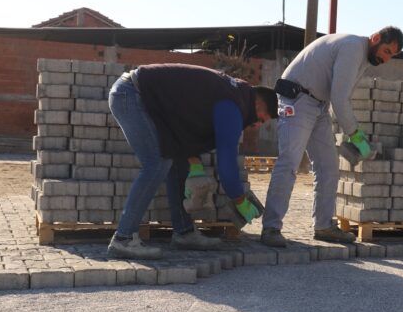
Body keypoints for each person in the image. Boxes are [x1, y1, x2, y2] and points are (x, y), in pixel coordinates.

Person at [107, 63, 278, 259]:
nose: (257, 125)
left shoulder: (235, 93)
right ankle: (124, 238)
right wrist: (240, 200)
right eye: (262, 120)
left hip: (142, 98)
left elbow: (186, 119)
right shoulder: (233, 105)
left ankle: (184, 233)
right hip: (131, 95)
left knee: (177, 161)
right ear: (258, 105)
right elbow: (227, 165)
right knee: (157, 164)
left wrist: (194, 161)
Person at [261, 26, 403, 247]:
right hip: (297, 99)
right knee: (289, 162)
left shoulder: (363, 58)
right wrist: (355, 134)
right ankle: (271, 228)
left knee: (328, 167)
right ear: (375, 38)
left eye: (391, 56)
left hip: (318, 105)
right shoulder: (353, 48)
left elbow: (340, 96)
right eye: (386, 51)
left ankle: (323, 226)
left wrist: (350, 132)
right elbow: (339, 97)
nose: (386, 59)